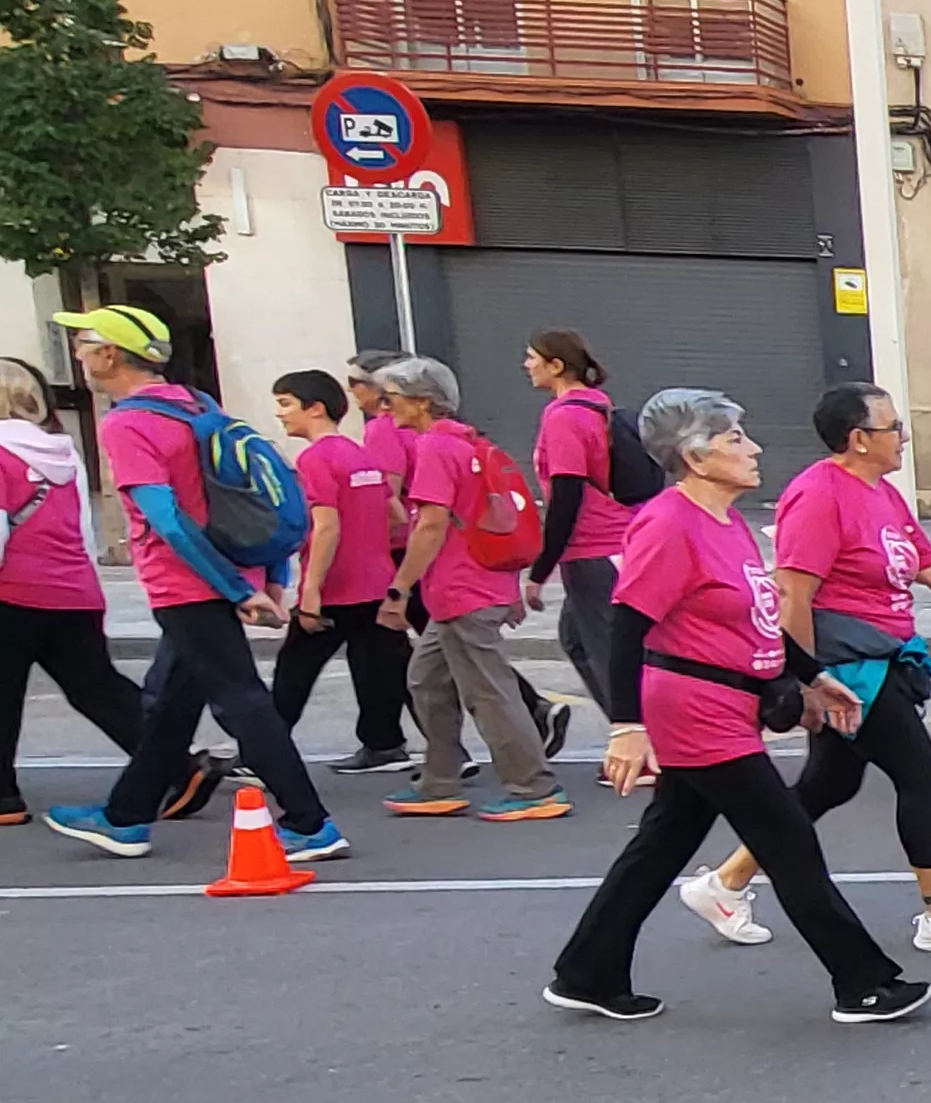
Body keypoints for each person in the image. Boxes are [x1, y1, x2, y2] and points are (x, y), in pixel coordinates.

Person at [548, 389, 930, 1025]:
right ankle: (863, 982)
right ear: (695, 456)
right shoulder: (668, 524)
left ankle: (587, 970)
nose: (753, 449)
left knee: (663, 844)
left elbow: (758, 621)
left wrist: (813, 676)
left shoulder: (728, 523)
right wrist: (625, 726)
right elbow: (627, 625)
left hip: (727, 705)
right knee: (788, 840)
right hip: (695, 710)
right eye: (734, 440)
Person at [682, 383, 931, 954]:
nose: (904, 436)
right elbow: (794, 596)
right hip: (850, 668)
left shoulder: (882, 493)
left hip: (886, 657)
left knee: (830, 783)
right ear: (858, 439)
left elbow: (930, 565)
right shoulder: (820, 495)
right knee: (920, 771)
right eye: (893, 427)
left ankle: (725, 882)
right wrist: (803, 683)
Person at [38, 307, 347, 862]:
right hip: (226, 571)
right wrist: (268, 574)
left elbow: (167, 517)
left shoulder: (127, 424)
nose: (78, 352)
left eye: (83, 342)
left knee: (241, 701)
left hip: (189, 582)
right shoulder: (196, 405)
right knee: (171, 706)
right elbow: (257, 485)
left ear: (110, 354)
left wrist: (234, 588)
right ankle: (125, 818)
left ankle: (310, 823)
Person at [374, 355, 569, 822]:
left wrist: (399, 589)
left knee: (489, 692)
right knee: (426, 680)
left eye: (392, 399)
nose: (384, 408)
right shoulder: (468, 443)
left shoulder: (436, 450)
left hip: (462, 591)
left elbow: (432, 525)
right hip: (471, 588)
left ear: (422, 402)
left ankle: (533, 787)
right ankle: (440, 779)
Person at [0, 357, 140, 826]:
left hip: (14, 590)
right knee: (98, 689)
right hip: (72, 587)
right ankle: (176, 766)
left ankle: (4, 798)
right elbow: (81, 524)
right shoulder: (62, 451)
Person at [264, 368, 415, 774]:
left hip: (338, 586)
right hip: (376, 579)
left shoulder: (315, 458)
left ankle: (264, 752)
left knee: (294, 670)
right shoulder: (359, 453)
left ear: (315, 408)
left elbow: (327, 525)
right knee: (382, 666)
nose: (280, 414)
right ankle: (388, 745)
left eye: (285, 404)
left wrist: (311, 588)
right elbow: (396, 514)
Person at [521, 330, 626, 727]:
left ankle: (642, 745)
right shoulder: (598, 407)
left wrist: (540, 571)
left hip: (593, 548)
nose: (526, 365)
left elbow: (567, 495)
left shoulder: (565, 417)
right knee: (577, 639)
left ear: (556, 365)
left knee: (605, 651)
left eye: (532, 357)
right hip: (613, 541)